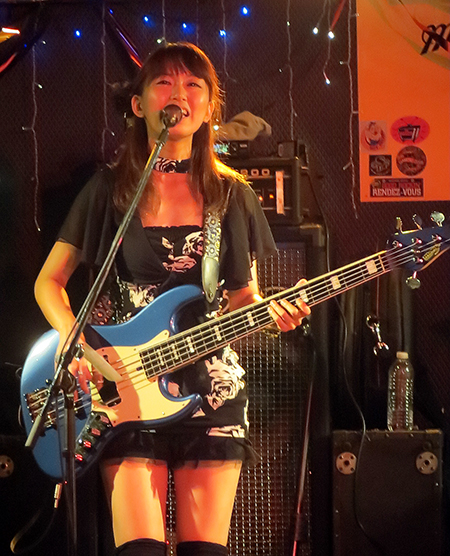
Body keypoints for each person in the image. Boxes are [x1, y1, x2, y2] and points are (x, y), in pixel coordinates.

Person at [34, 42, 310, 556]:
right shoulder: (109, 190)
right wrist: (78, 347)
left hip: (210, 391)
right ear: (138, 104)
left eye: (193, 85)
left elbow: (242, 297)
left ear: (208, 107)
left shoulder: (231, 195)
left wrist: (273, 314)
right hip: (123, 389)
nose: (178, 94)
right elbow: (49, 281)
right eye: (163, 82)